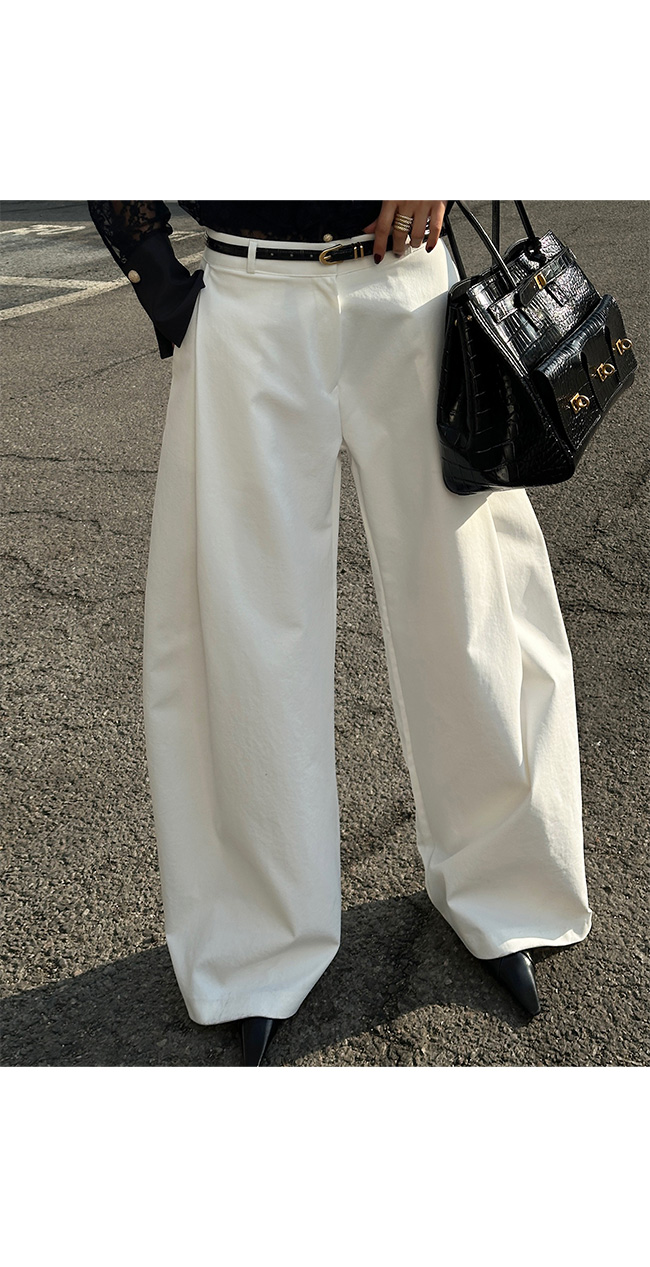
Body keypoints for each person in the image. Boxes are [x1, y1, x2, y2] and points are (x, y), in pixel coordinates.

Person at [87, 200, 593, 1066]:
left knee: (474, 603)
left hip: (411, 289)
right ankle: (256, 938)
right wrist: (165, 288)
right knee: (243, 632)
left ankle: (510, 884)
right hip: (250, 295)